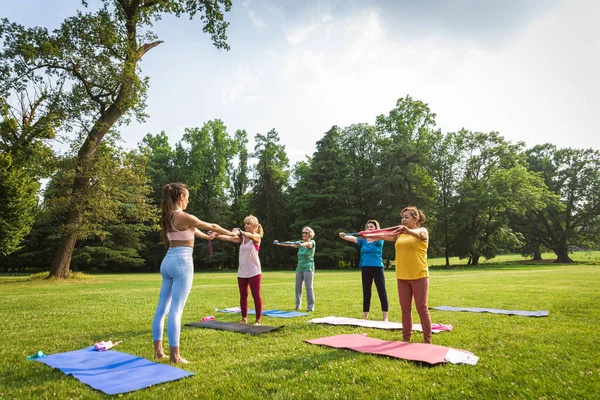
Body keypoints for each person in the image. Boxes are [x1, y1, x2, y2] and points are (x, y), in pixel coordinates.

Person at [152, 182, 237, 363]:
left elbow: (194, 230)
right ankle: (175, 356)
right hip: (182, 262)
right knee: (176, 309)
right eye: (188, 197)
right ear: (181, 197)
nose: (188, 201)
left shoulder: (168, 215)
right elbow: (211, 224)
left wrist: (208, 237)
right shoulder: (183, 215)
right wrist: (231, 234)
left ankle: (158, 352)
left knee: (162, 309)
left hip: (167, 261)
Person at [363, 207, 431, 343]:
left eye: (406, 217)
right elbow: (383, 235)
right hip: (402, 276)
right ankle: (406, 339)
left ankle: (427, 340)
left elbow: (422, 236)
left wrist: (408, 231)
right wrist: (367, 234)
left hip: (419, 274)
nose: (403, 219)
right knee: (405, 309)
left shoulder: (421, 230)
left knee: (422, 308)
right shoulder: (400, 234)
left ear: (415, 218)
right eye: (402, 217)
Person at [214, 215, 264, 325]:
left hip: (254, 271)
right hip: (242, 271)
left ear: (255, 226)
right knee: (243, 295)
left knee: (256, 295)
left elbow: (250, 235)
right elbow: (229, 238)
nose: (246, 225)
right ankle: (244, 318)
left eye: (248, 224)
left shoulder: (256, 237)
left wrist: (240, 231)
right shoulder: (242, 239)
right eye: (245, 224)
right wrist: (217, 235)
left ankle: (257, 320)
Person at [339, 220, 389, 321]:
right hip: (365, 267)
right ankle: (365, 316)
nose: (369, 228)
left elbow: (376, 236)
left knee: (381, 291)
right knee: (366, 292)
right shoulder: (363, 241)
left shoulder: (379, 238)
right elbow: (353, 238)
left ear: (376, 228)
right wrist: (344, 236)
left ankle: (385, 317)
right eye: (368, 227)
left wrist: (366, 234)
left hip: (377, 267)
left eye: (371, 227)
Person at [274, 227, 316, 312]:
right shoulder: (300, 242)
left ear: (310, 234)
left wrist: (301, 244)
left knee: (309, 287)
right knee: (298, 288)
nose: (304, 234)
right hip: (299, 267)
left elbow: (308, 244)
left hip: (308, 267)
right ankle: (298, 306)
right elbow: (289, 244)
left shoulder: (312, 242)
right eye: (303, 232)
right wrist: (278, 243)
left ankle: (310, 307)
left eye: (306, 233)